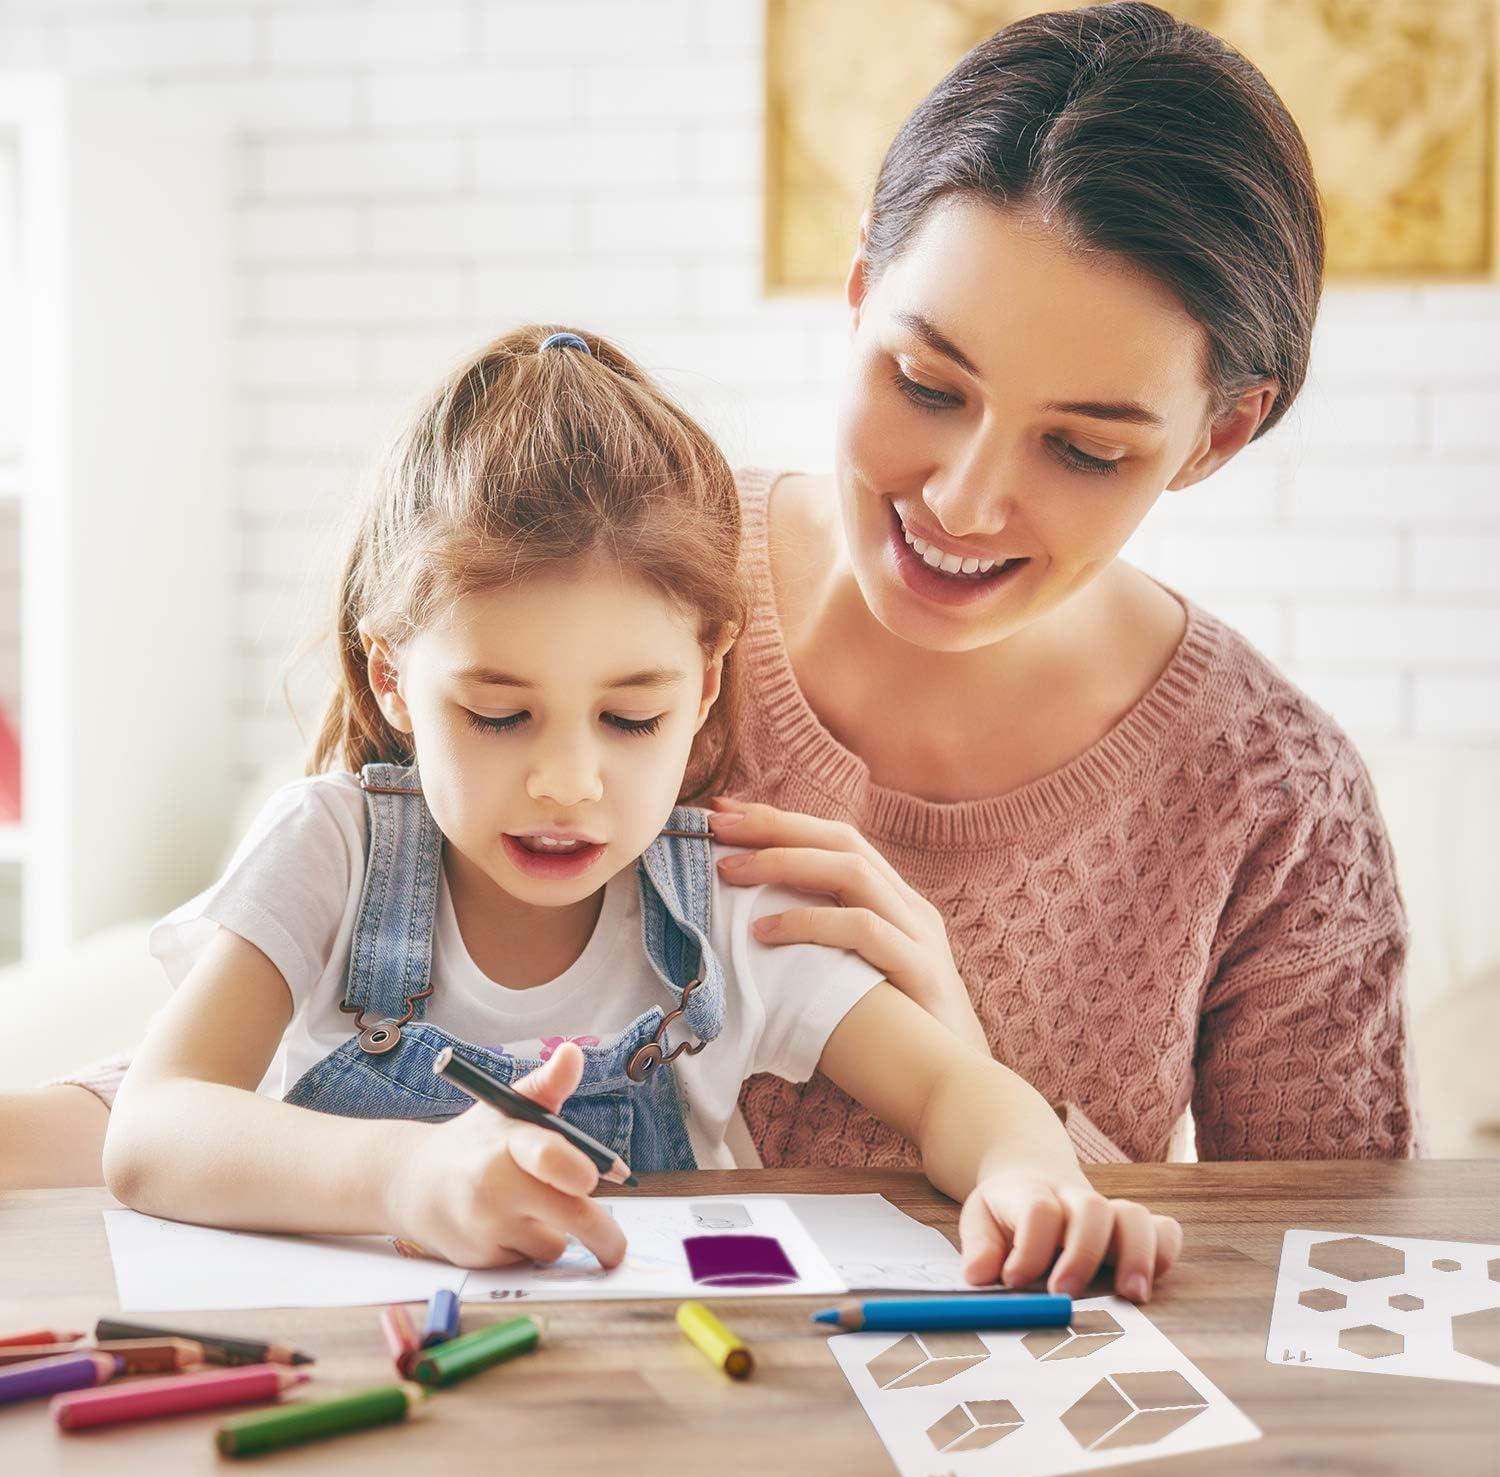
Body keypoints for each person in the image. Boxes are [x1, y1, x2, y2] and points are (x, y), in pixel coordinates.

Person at [3, 2, 1415, 1186]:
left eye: (1084, 447)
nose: (968, 498)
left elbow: (1331, 1277)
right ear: (859, 295)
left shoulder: (1274, 804)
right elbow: (302, 1013)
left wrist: (983, 1076)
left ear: (1218, 438)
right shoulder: (603, 559)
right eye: (926, 383)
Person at [91, 324, 1181, 1294]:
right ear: (392, 682)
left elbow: (956, 1093)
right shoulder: (328, 853)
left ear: (703, 685)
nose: (567, 783)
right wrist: (408, 1177)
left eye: (629, 720)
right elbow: (152, 1127)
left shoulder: (727, 910)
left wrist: (1030, 1176)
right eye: (498, 715)